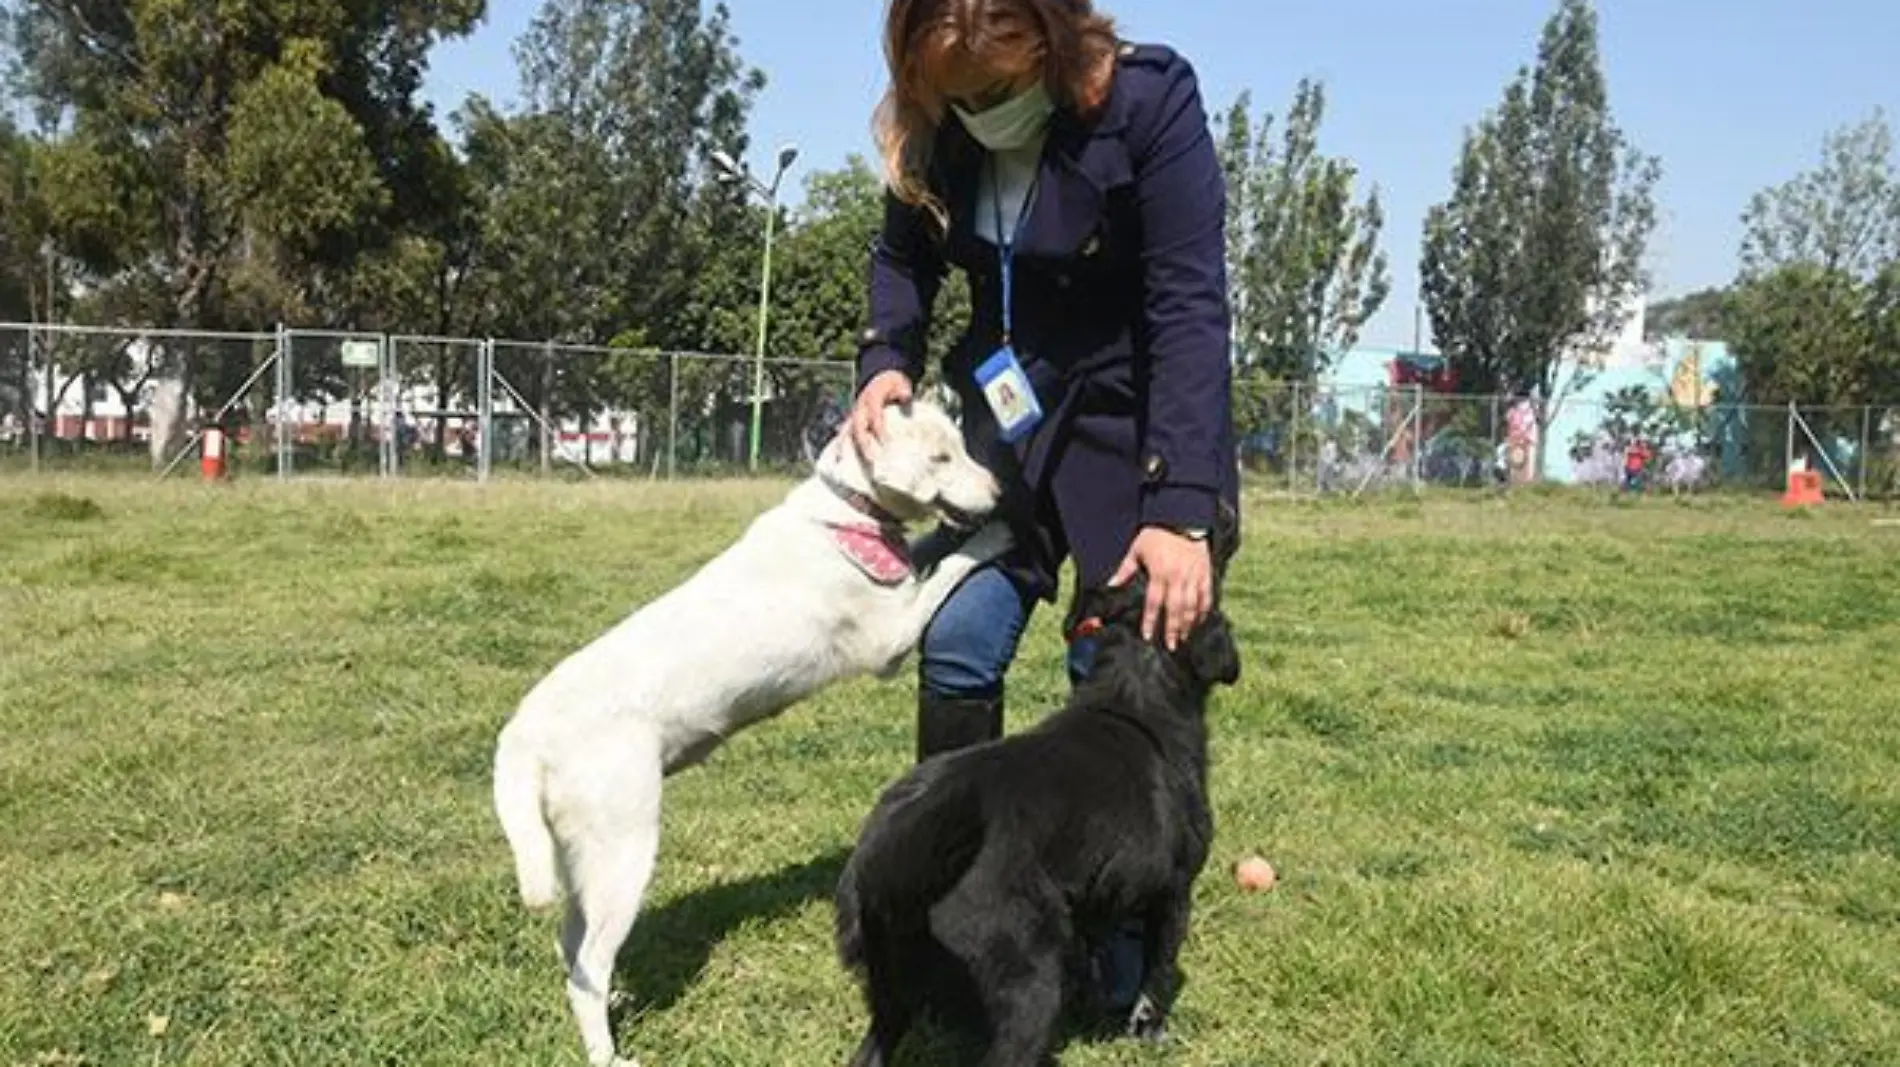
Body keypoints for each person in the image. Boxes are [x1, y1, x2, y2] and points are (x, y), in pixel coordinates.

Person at [847, 0, 1241, 1020]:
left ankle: (1115, 942)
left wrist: (1184, 509)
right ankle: (947, 903)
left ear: (1055, 49)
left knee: (1108, 669)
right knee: (962, 637)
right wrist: (887, 360)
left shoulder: (1151, 104)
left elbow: (1190, 303)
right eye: (959, 97)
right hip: (1008, 433)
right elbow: (902, 258)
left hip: (1138, 440)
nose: (980, 112)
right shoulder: (938, 127)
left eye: (998, 90)